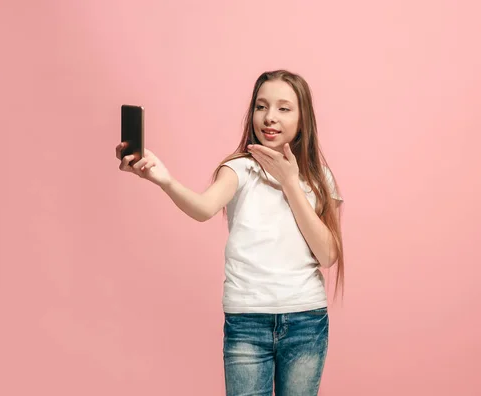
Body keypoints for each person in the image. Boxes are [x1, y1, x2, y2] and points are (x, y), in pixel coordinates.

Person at [115, 69, 344, 395]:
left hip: (306, 320)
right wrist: (163, 179)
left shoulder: (320, 178)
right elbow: (203, 208)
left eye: (283, 108)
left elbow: (327, 254)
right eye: (261, 106)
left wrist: (290, 181)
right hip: (247, 321)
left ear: (303, 118)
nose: (270, 117)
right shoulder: (239, 168)